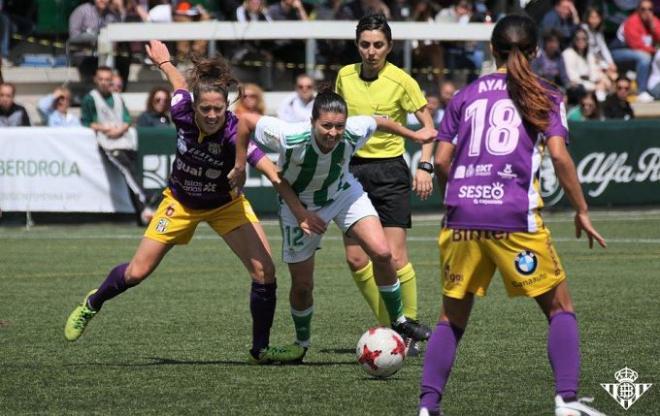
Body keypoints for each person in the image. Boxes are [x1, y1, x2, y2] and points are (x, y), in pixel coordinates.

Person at [64, 40, 306, 365]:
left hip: (225, 205)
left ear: (227, 108)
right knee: (137, 272)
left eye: (218, 109)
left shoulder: (235, 134)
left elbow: (271, 173)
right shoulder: (180, 109)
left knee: (265, 272)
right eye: (204, 108)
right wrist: (163, 62)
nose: (210, 115)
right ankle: (92, 303)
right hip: (179, 202)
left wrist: (298, 209)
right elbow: (178, 83)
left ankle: (260, 349)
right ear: (194, 107)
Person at [417, 15, 607, 416]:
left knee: (451, 317)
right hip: (513, 215)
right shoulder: (545, 93)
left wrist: (464, 193)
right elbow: (558, 155)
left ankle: (428, 407)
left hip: (462, 214)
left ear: (492, 49)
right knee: (560, 308)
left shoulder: (465, 95)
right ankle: (567, 402)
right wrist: (583, 210)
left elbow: (442, 160)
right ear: (535, 51)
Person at [231, 88, 436, 360]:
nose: (333, 133)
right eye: (326, 126)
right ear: (313, 121)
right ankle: (301, 344)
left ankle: (399, 321)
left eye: (339, 126)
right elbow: (244, 122)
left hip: (343, 194)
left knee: (383, 253)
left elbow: (381, 121)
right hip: (298, 205)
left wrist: (415, 135)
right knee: (303, 286)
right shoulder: (290, 135)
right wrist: (240, 165)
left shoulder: (353, 130)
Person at [335, 13, 436, 355]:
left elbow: (428, 128)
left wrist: (425, 166)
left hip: (390, 173)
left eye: (378, 45)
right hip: (352, 172)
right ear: (357, 45)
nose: (371, 51)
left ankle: (406, 330)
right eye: (365, 44)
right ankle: (393, 326)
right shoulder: (344, 77)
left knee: (392, 256)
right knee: (355, 259)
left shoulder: (402, 80)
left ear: (389, 47)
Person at [81, 66, 154, 226]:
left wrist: (120, 129)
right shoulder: (90, 98)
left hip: (124, 140)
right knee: (127, 169)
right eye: (101, 79)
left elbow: (127, 119)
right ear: (96, 79)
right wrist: (104, 128)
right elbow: (86, 122)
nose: (104, 83)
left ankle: (142, 211)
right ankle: (145, 198)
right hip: (107, 142)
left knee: (132, 171)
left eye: (107, 79)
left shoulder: (117, 97)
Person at [609, 0, 660, 103]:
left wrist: (653, 28)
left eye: (650, 9)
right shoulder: (632, 21)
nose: (647, 12)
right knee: (644, 57)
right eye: (643, 9)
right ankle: (641, 91)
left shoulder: (653, 21)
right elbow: (635, 45)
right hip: (617, 53)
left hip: (640, 54)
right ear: (638, 10)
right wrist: (654, 50)